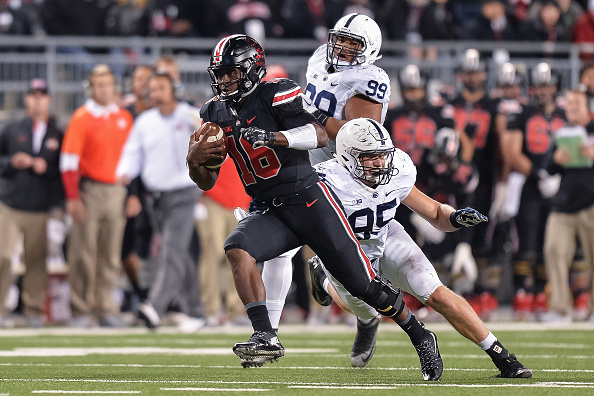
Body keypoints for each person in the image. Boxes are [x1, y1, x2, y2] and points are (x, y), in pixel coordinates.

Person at [186, 34, 440, 378]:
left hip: (307, 199)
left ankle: (420, 334)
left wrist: (273, 137)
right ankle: (265, 334)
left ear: (251, 68)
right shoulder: (213, 111)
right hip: (269, 208)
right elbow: (206, 181)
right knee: (237, 248)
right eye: (221, 73)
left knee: (362, 284)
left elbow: (318, 135)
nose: (225, 80)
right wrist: (195, 162)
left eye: (232, 72)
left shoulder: (276, 93)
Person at [308, 117, 532, 379]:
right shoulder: (324, 180)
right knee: (363, 309)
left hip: (386, 234)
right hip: (346, 250)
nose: (381, 163)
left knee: (436, 293)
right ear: (347, 157)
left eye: (383, 155)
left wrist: (455, 218)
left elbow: (436, 212)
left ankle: (503, 357)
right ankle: (323, 279)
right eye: (371, 157)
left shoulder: (397, 171)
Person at [116, 72, 204, 332]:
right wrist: (125, 171)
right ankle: (197, 311)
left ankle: (155, 307)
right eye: (152, 89)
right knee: (181, 254)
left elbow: (212, 136)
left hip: (185, 193)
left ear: (173, 89)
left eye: (161, 88)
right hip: (157, 198)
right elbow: (133, 152)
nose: (156, 94)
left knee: (171, 249)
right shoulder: (144, 121)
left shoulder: (189, 115)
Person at [60, 64, 134, 328]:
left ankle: (106, 307)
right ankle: (80, 309)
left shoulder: (124, 117)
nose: (104, 89)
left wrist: (131, 193)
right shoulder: (82, 117)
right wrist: (72, 197)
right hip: (89, 189)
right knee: (82, 252)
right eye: (99, 85)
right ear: (91, 88)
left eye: (108, 84)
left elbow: (132, 159)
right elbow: (68, 162)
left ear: (115, 87)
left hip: (117, 190)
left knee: (111, 255)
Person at [0, 79, 63, 328]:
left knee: (36, 261)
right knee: (3, 257)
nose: (37, 99)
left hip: (41, 206)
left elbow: (64, 169)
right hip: (10, 204)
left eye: (42, 95)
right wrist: (11, 162)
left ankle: (34, 310)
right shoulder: (11, 128)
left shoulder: (58, 132)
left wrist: (46, 168)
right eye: (33, 95)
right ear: (26, 99)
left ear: (48, 100)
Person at [505, 62, 566, 319]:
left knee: (548, 242)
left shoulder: (565, 114)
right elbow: (511, 152)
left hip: (560, 186)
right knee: (527, 240)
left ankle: (542, 291)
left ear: (556, 86)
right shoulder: (520, 113)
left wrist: (561, 177)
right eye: (540, 85)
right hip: (530, 184)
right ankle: (522, 292)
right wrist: (540, 175)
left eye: (548, 85)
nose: (544, 90)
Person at [543, 88, 594, 323]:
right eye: (569, 104)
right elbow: (547, 167)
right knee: (553, 250)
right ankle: (561, 309)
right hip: (564, 203)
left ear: (588, 107)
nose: (571, 108)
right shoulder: (562, 132)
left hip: (591, 203)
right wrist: (556, 159)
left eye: (577, 104)